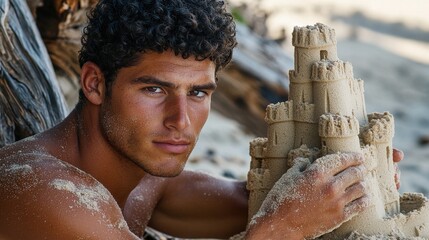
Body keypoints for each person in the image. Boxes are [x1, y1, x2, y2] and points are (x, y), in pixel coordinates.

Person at [0, 0, 403, 239]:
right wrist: (285, 229)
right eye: (154, 90)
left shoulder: (145, 183)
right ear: (94, 83)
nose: (181, 120)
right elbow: (283, 217)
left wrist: (354, 177)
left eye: (197, 93)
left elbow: (261, 201)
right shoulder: (45, 192)